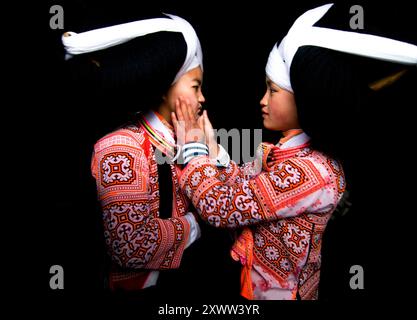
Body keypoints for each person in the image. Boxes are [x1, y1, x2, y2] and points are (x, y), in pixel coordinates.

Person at [172, 3, 417, 300]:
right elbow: (246, 191)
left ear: (306, 97)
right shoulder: (285, 154)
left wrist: (193, 150)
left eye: (273, 90)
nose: (263, 100)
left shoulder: (312, 171)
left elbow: (222, 209)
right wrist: (213, 150)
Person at [61, 12, 236, 300]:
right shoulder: (121, 146)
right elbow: (128, 246)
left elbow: (231, 207)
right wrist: (198, 223)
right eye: (196, 86)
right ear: (167, 86)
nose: (203, 98)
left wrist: (213, 149)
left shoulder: (192, 141)